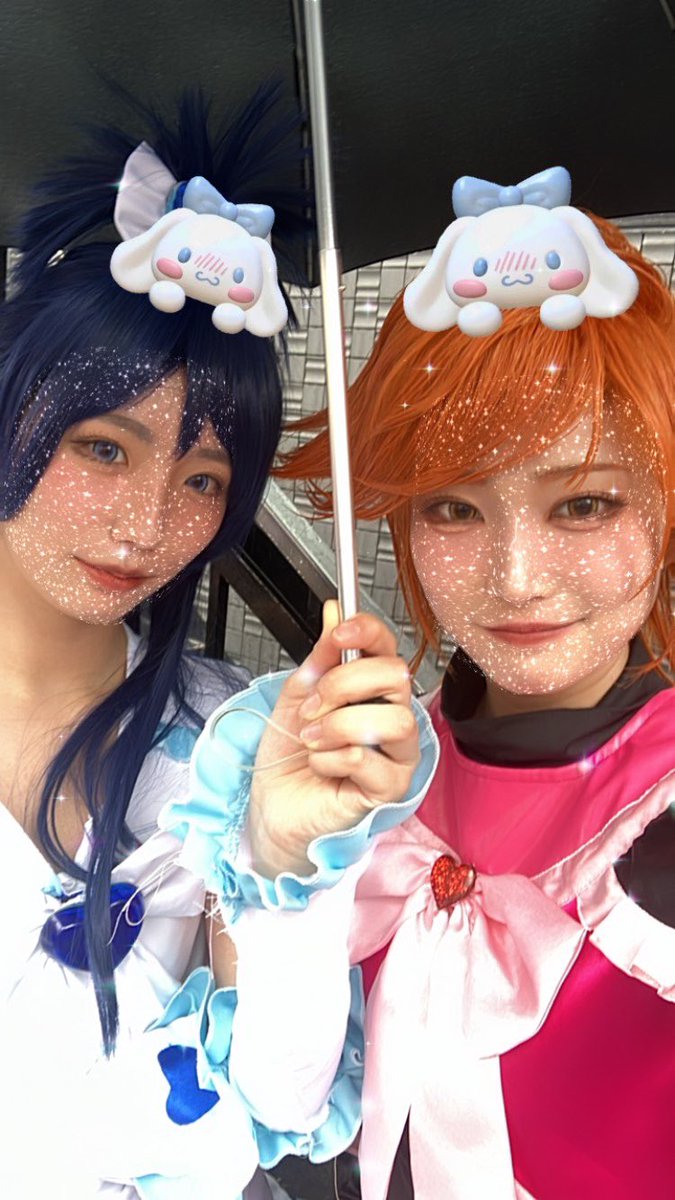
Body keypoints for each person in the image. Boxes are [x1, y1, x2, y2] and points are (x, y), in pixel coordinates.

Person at [175, 177, 675, 1200]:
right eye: (451, 508)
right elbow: (285, 1110)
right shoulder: (357, 765)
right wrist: (286, 857)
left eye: (583, 503)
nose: (518, 578)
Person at [0, 87, 314, 1198]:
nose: (148, 527)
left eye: (203, 480)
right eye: (104, 448)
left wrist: (290, 861)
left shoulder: (230, 743)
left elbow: (283, 1102)